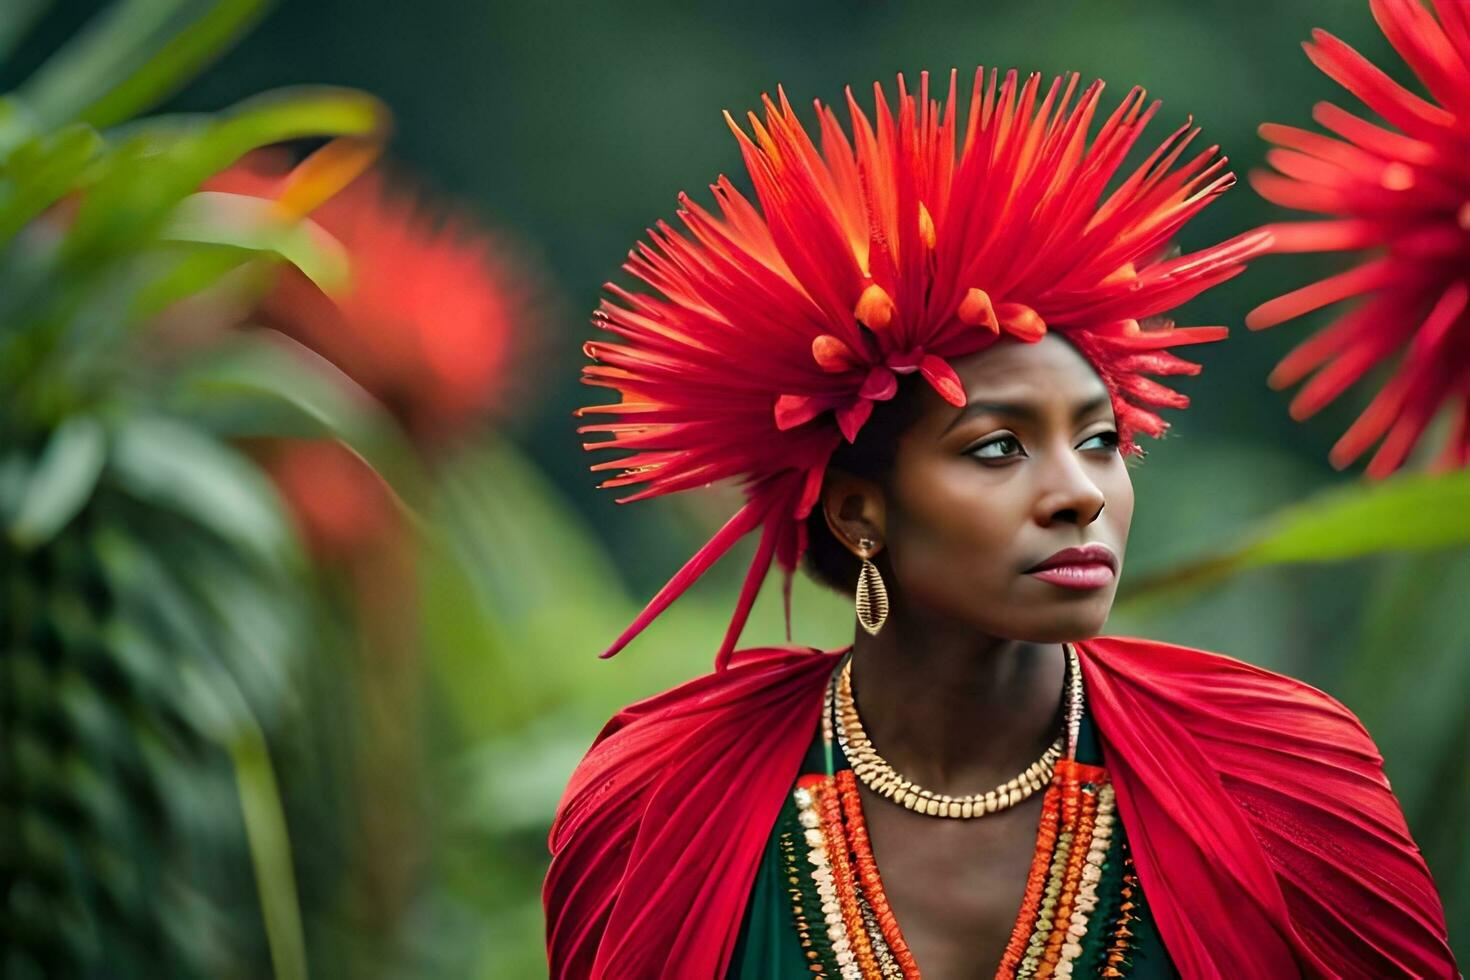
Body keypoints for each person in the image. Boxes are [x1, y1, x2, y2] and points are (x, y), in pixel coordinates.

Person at [544, 69, 1457, 979]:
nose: (1081, 494)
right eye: (998, 449)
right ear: (859, 512)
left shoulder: (1281, 783)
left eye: (1100, 440)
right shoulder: (662, 803)